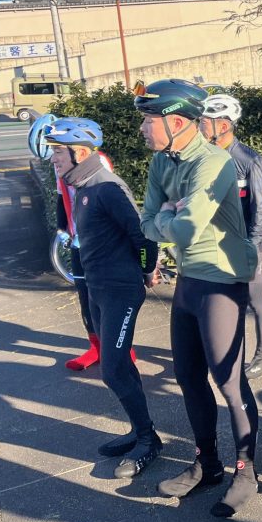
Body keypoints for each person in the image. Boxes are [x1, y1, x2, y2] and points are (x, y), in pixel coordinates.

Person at [135, 79, 260, 518]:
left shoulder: (215, 162)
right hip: (189, 279)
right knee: (189, 377)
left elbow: (184, 229)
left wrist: (166, 219)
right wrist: (166, 218)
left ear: (177, 122)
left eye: (149, 120)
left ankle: (246, 472)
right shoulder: (162, 161)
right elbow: (146, 222)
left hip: (222, 280)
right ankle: (207, 464)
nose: (143, 128)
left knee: (229, 382)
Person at [44, 117, 163, 478]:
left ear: (80, 153)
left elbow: (143, 236)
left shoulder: (106, 187)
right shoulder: (81, 185)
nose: (53, 158)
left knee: (112, 369)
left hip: (120, 291)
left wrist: (146, 270)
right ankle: (141, 431)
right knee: (119, 367)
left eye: (58, 152)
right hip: (98, 288)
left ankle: (148, 441)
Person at [28, 114, 137, 372]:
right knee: (85, 298)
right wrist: (63, 229)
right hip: (79, 243)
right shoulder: (62, 168)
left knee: (106, 302)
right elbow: (61, 199)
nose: (53, 158)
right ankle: (96, 347)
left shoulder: (99, 166)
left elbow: (111, 207)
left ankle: (121, 349)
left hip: (99, 247)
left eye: (56, 151)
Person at [199, 91, 262, 379]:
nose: (200, 126)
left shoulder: (248, 159)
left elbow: (260, 206)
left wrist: (252, 246)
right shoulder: (204, 156)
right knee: (225, 302)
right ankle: (229, 354)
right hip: (216, 243)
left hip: (245, 244)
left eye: (205, 121)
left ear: (223, 125)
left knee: (254, 300)